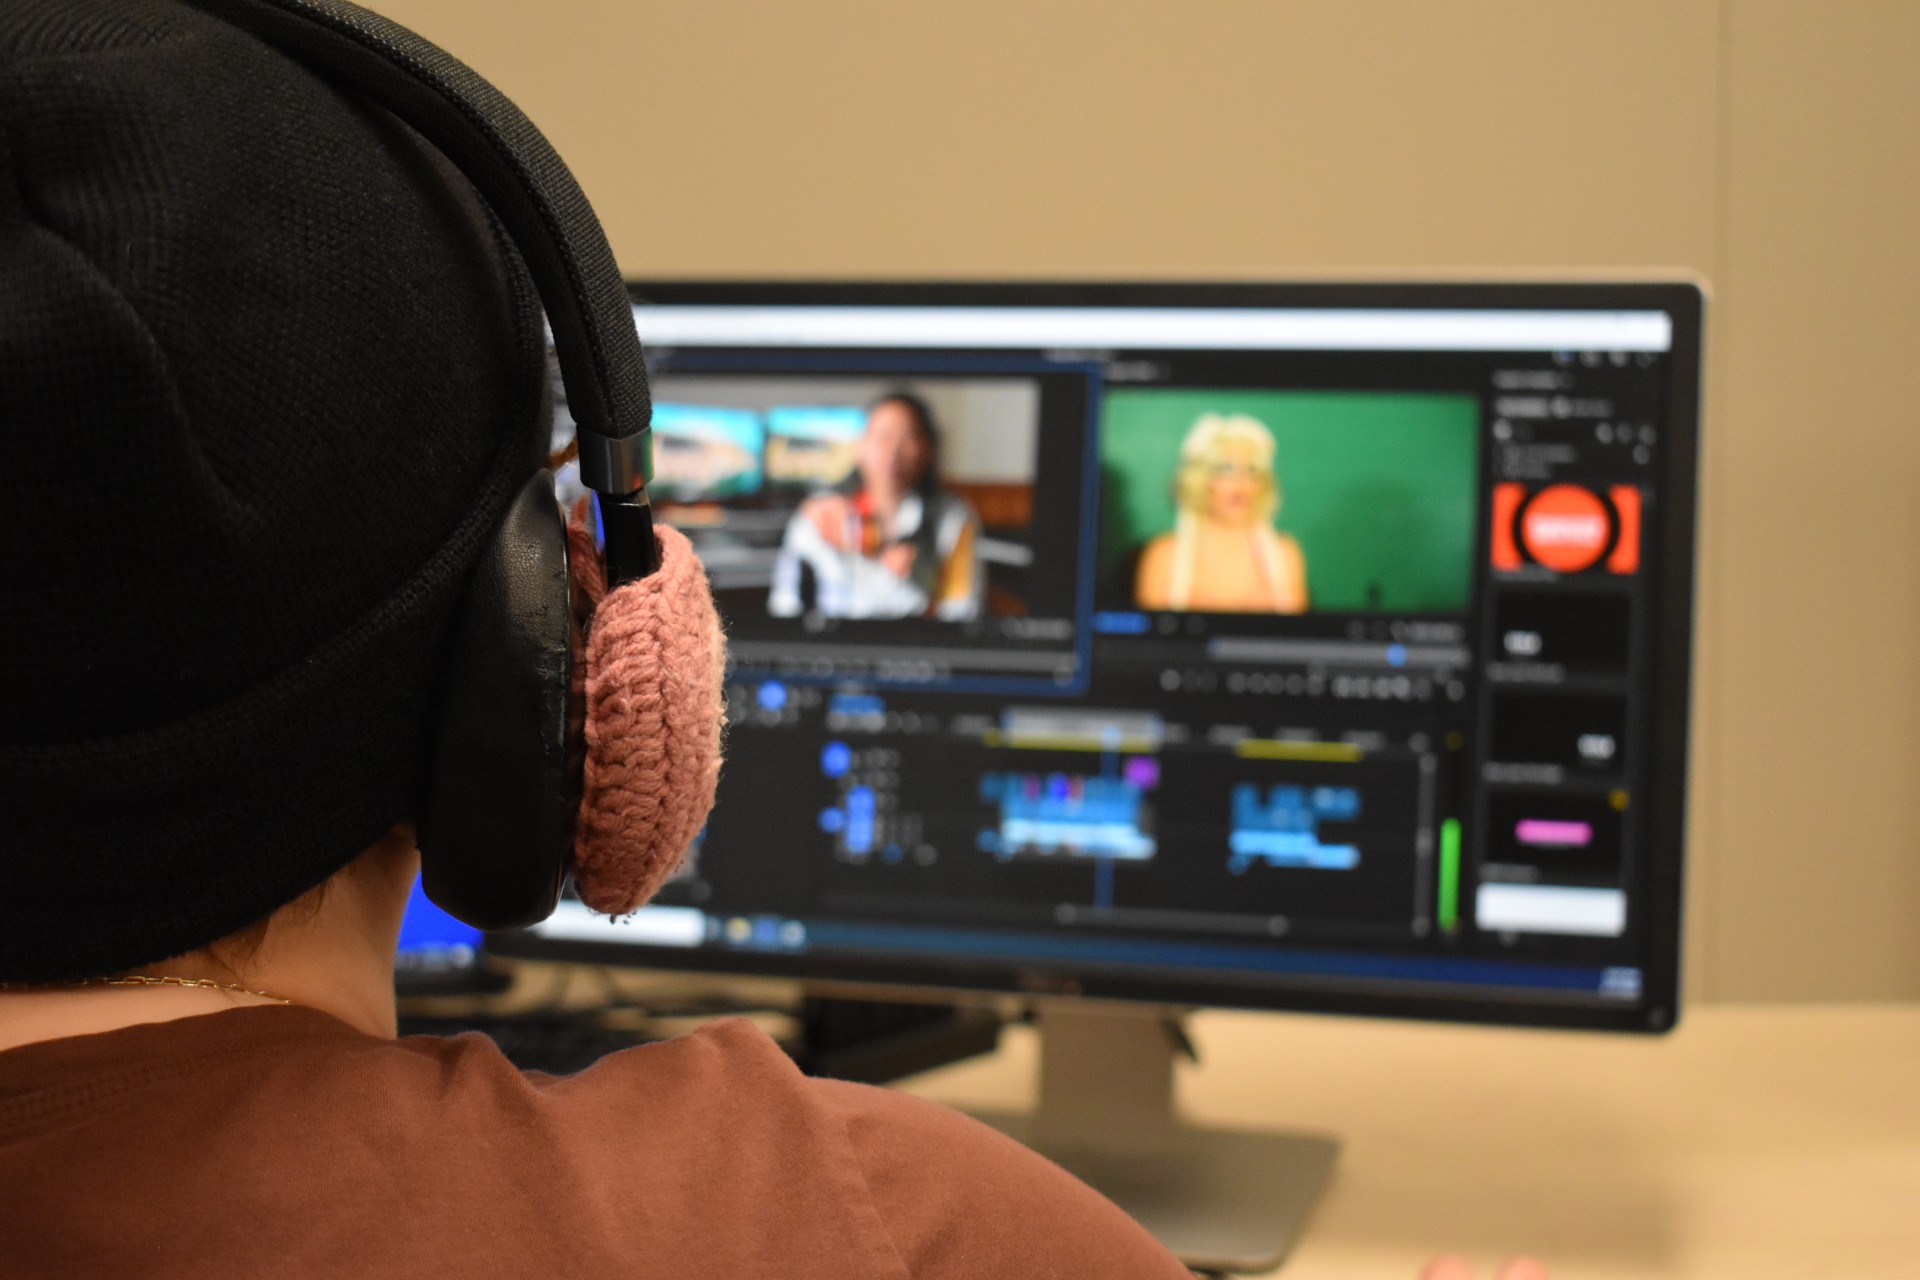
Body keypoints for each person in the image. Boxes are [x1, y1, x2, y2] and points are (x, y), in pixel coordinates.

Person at [767, 392, 983, 620]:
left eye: (908, 438)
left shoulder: (952, 518)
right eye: (883, 436)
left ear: (928, 449)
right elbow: (785, 603)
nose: (893, 451)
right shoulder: (821, 514)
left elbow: (961, 613)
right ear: (860, 446)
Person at [1135, 412, 1310, 613]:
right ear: (1199, 480)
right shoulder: (1163, 556)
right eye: (1226, 470)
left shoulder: (1286, 555)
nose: (1241, 483)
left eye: (1251, 470)